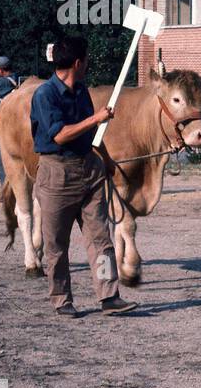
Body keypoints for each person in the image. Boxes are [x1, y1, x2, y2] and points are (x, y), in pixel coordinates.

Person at [30, 35, 136, 318]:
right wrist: (96, 119)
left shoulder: (81, 90)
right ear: (78, 62)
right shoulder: (44, 95)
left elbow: (91, 135)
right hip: (57, 174)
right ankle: (61, 299)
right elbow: (61, 134)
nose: (87, 64)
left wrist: (108, 160)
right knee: (56, 245)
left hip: (89, 170)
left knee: (101, 239)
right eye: (86, 60)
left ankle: (109, 296)